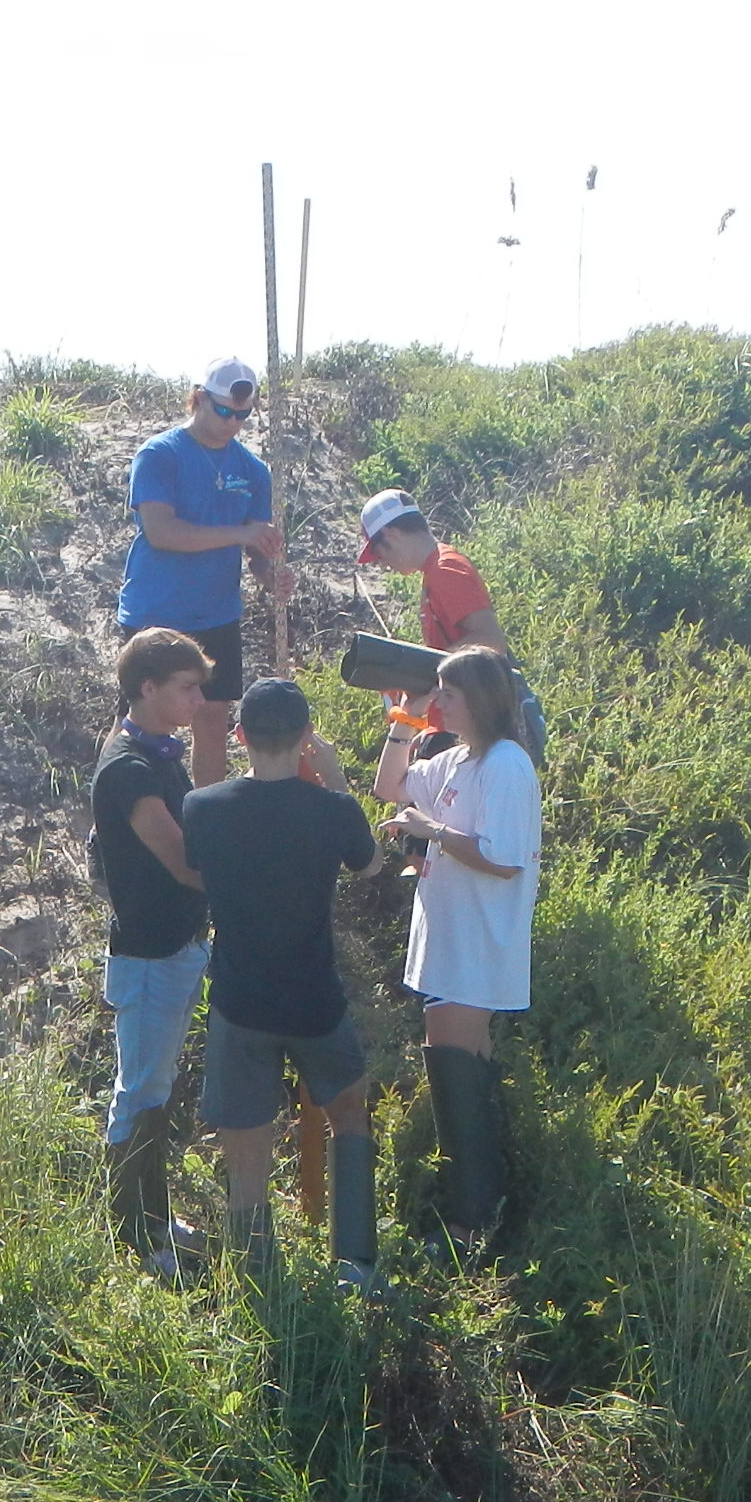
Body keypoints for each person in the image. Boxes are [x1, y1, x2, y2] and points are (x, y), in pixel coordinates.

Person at [177, 677, 397, 1287]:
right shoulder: (333, 811)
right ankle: (355, 1263)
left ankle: (259, 1283)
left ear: (239, 734)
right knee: (349, 1115)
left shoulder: (203, 807)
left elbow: (196, 862)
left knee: (246, 1147)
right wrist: (335, 779)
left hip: (240, 1000)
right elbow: (372, 862)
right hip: (315, 999)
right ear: (305, 738)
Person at [377, 647, 543, 1254]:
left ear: (478, 697)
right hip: (449, 938)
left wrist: (430, 831)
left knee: (454, 1065)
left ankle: (470, 1225)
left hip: (479, 939)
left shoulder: (506, 765)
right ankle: (483, 1213)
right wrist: (405, 721)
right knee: (463, 1065)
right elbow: (389, 786)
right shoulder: (455, 760)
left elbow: (502, 859)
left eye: (447, 692)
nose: (438, 700)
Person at [93, 627, 215, 1278]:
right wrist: (255, 881)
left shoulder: (161, 751)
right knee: (139, 1093)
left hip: (177, 947)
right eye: (188, 688)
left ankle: (151, 1220)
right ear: (148, 688)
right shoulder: (130, 767)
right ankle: (138, 1241)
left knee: (156, 1089)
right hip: (148, 955)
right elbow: (182, 859)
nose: (200, 700)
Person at [116, 357, 290, 786]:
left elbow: (257, 553)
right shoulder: (160, 455)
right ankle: (112, 814)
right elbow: (161, 532)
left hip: (216, 615)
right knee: (136, 723)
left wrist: (270, 576)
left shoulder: (253, 471)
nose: (233, 422)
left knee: (212, 721)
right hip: (155, 613)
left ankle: (203, 819)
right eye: (225, 411)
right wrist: (240, 533)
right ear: (198, 399)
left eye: (243, 415)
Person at [355, 486, 545, 762]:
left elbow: (492, 641)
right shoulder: (435, 570)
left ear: (392, 535)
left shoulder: (446, 570)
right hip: (457, 723)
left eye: (378, 552)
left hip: (472, 726)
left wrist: (419, 669)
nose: (382, 563)